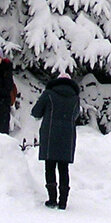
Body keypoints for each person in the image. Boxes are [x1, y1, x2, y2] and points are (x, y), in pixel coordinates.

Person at [30, 73, 80, 210]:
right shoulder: (75, 98)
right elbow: (76, 115)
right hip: (67, 136)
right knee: (64, 168)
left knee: (50, 166)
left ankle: (52, 199)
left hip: (50, 134)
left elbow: (36, 112)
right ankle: (63, 201)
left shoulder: (49, 94)